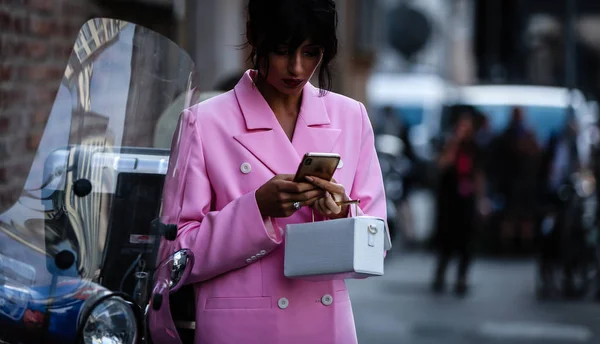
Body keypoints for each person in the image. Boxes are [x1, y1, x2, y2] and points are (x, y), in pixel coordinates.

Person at [165, 1, 387, 343]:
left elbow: (378, 244)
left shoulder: (351, 116)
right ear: (255, 37)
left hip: (324, 327)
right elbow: (174, 256)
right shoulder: (204, 122)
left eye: (311, 52)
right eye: (283, 51)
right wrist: (256, 209)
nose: (297, 68)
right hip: (239, 328)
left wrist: (344, 212)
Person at [432, 113, 484, 296]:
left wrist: (481, 199)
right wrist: (455, 143)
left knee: (466, 240)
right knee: (446, 238)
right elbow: (442, 165)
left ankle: (462, 277)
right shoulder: (449, 144)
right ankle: (440, 274)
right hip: (449, 199)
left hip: (467, 200)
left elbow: (479, 174)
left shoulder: (475, 147)